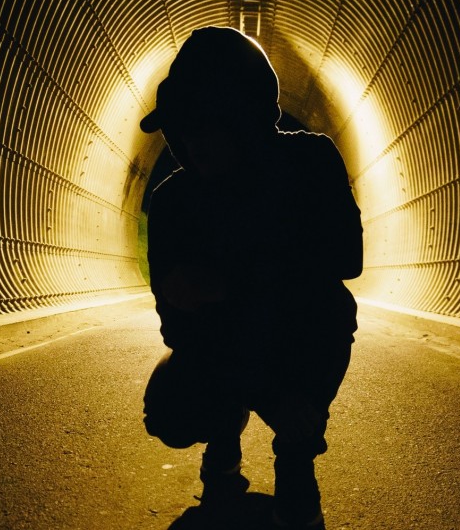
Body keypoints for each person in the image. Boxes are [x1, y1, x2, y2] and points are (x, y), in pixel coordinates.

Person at [140, 26, 362, 529]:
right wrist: (266, 393)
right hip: (225, 346)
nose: (192, 141)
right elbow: (178, 326)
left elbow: (346, 261)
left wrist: (225, 285)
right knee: (171, 409)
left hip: (298, 333)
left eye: (206, 122)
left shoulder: (310, 163)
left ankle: (295, 454)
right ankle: (225, 433)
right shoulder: (175, 202)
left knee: (328, 309)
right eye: (182, 126)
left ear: (244, 115)